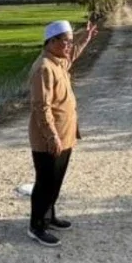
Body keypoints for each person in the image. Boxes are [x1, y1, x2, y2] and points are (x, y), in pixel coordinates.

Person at [27, 19, 98, 247]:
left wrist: (84, 39)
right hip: (49, 138)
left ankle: (50, 216)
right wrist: (51, 136)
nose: (69, 45)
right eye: (66, 41)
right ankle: (37, 225)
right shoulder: (44, 68)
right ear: (52, 41)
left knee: (55, 181)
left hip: (64, 135)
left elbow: (73, 55)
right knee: (46, 182)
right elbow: (41, 106)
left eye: (70, 41)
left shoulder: (59, 61)